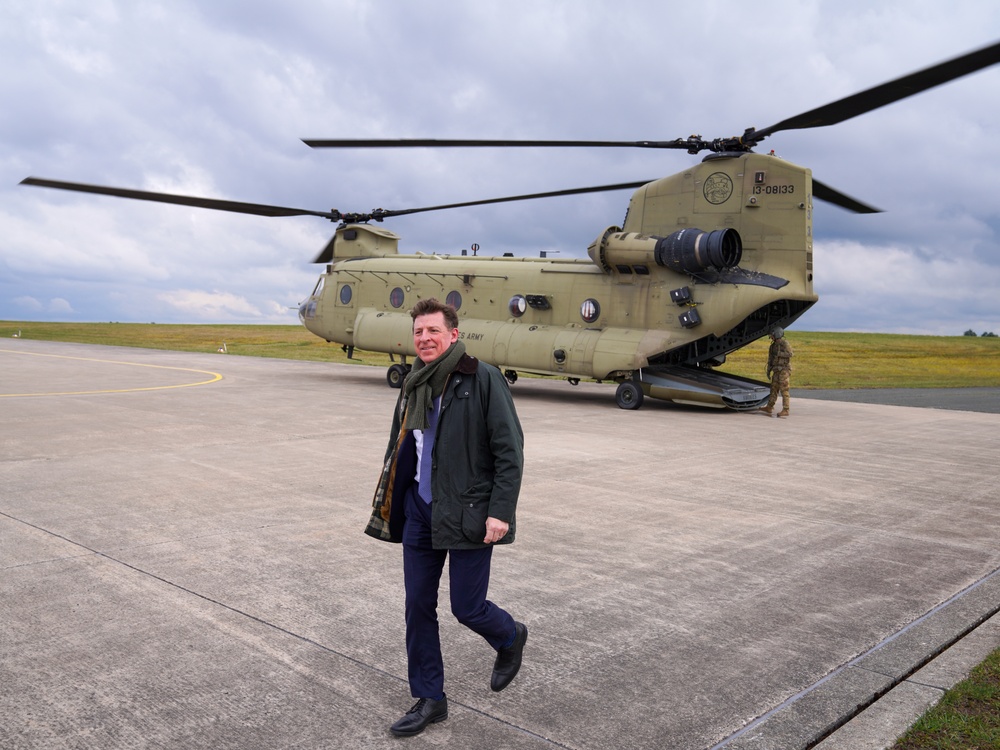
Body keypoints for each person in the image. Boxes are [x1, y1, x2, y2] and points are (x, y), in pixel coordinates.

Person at [365, 298, 527, 738]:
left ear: (453, 334)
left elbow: (509, 452)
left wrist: (500, 512)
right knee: (418, 606)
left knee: (467, 607)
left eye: (433, 331)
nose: (425, 339)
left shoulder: (483, 378)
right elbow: (409, 447)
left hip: (469, 512)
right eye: (418, 332)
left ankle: (509, 636)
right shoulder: (414, 382)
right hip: (420, 510)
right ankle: (430, 698)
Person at [760, 326, 793, 417]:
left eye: (772, 335)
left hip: (784, 370)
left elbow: (790, 354)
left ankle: (786, 409)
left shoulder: (784, 344)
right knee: (773, 389)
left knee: (784, 389)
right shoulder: (772, 346)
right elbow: (770, 359)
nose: (771, 337)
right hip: (776, 370)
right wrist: (768, 370)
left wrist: (780, 354)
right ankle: (769, 407)